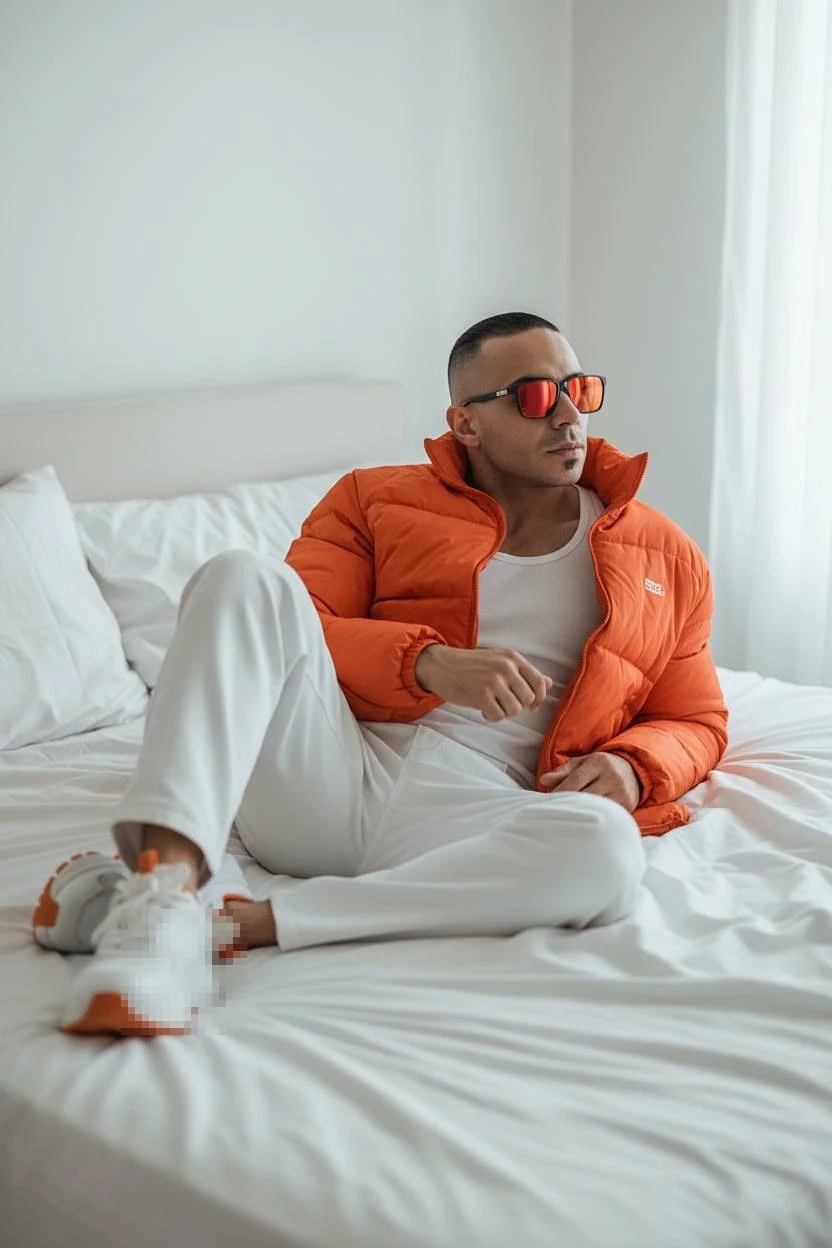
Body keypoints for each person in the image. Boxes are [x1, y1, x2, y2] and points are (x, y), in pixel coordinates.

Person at [32, 311, 728, 1037]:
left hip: (473, 815)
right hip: (330, 774)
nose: (566, 414)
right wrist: (425, 662)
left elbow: (699, 718)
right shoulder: (372, 499)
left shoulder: (662, 554)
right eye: (532, 396)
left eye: (577, 389)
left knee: (605, 850)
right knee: (242, 577)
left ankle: (243, 923)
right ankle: (162, 898)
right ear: (466, 424)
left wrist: (633, 767)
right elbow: (301, 625)